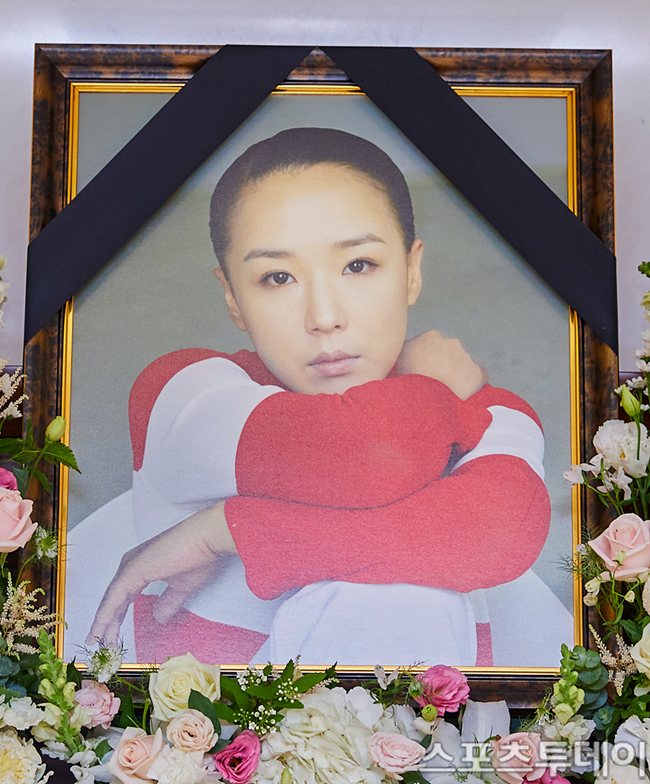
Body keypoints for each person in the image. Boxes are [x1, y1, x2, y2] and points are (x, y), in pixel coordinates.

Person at [73, 128, 567, 666]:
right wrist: (437, 389)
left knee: (402, 597)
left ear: (412, 271)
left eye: (358, 265)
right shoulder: (182, 392)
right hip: (204, 721)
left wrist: (224, 532)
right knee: (397, 589)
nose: (325, 317)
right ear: (232, 298)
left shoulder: (492, 411)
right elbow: (363, 455)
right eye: (277, 277)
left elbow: (497, 533)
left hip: (430, 719)